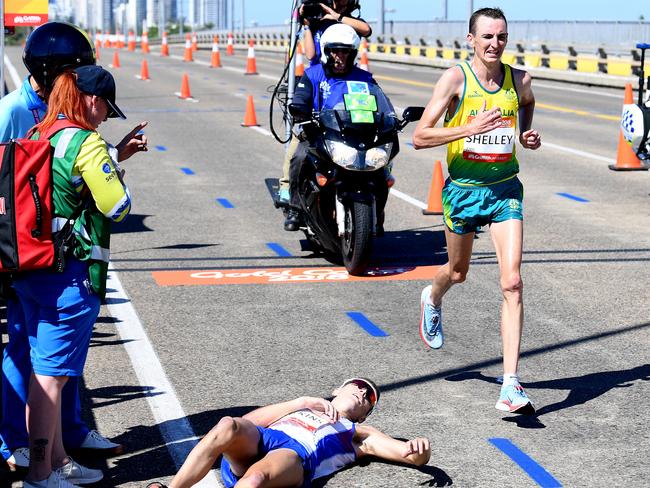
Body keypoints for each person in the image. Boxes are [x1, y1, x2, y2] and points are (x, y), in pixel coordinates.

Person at [0, 21, 147, 474]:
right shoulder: (23, 117)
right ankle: (30, 456)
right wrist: (106, 163)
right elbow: (115, 206)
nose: (104, 114)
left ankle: (60, 451)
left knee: (52, 367)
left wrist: (109, 159)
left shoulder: (42, 129)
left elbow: (55, 184)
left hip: (33, 259)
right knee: (39, 366)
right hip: (51, 265)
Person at [412, 8, 541, 414]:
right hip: (463, 191)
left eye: (501, 37)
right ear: (471, 39)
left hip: (505, 189)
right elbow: (419, 137)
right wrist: (467, 129)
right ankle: (432, 297)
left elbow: (527, 102)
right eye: (486, 36)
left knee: (513, 282)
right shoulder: (455, 79)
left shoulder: (519, 79)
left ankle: (510, 385)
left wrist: (525, 133)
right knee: (458, 272)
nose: (494, 44)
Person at [146, 377, 430, 487]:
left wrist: (418, 451)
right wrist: (302, 402)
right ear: (337, 390)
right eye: (358, 385)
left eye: (369, 397)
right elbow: (246, 421)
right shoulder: (302, 406)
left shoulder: (357, 432)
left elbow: (407, 455)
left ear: (365, 413)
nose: (362, 392)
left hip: (296, 456)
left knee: (257, 477)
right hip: (266, 439)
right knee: (227, 425)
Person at [277, 1, 371, 218]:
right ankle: (292, 201)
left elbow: (367, 30)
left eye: (344, 51)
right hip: (319, 87)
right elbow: (311, 55)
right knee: (298, 152)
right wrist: (308, 23)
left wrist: (335, 16)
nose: (339, 55)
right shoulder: (315, 68)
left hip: (346, 99)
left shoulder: (360, 75)